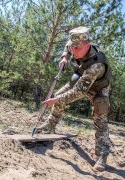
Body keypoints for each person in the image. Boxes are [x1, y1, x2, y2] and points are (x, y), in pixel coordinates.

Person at [36, 26, 112, 172]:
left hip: (98, 89)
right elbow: (67, 45)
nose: (74, 52)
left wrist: (57, 100)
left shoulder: (97, 64)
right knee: (59, 94)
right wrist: (64, 56)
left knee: (100, 118)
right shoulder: (74, 45)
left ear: (87, 45)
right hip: (81, 78)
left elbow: (78, 92)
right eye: (73, 48)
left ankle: (102, 155)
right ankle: (50, 124)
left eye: (77, 49)